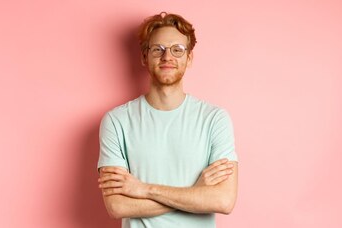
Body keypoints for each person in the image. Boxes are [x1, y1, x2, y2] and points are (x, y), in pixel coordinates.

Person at [97, 11, 238, 228]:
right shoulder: (116, 121)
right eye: (158, 49)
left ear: (189, 58)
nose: (167, 57)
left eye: (177, 50)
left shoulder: (214, 119)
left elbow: (224, 200)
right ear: (145, 57)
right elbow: (117, 206)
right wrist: (196, 193)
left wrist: (144, 189)